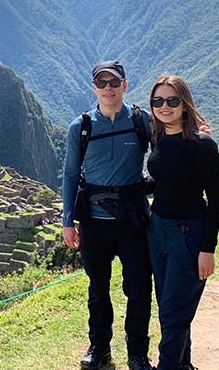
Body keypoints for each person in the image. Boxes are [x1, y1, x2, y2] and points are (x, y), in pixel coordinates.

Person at [62, 61, 155, 370]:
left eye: (114, 82)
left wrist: (198, 134)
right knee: (98, 287)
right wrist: (67, 221)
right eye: (102, 83)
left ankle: (137, 353)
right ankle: (99, 348)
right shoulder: (82, 127)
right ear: (94, 88)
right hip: (94, 221)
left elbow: (170, 147)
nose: (108, 88)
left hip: (133, 220)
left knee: (139, 286)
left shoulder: (142, 121)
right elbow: (71, 174)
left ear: (125, 85)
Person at [146, 75, 219, 370]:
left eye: (172, 100)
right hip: (158, 230)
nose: (164, 106)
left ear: (184, 103)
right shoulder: (160, 136)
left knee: (173, 314)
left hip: (188, 233)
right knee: (172, 307)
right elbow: (163, 179)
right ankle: (184, 364)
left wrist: (208, 249)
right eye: (158, 101)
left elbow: (215, 200)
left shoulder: (202, 145)